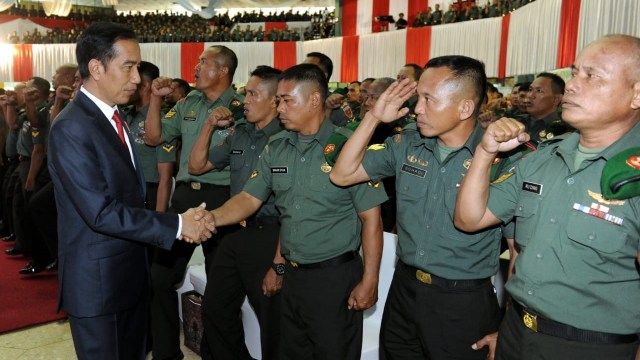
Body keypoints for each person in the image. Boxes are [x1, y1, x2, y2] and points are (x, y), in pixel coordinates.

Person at [454, 34, 640, 360]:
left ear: (636, 94)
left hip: (590, 347)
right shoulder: (543, 158)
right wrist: (485, 152)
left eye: (592, 76)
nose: (572, 85)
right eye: (575, 72)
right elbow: (470, 219)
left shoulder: (634, 171)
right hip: (517, 331)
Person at [47, 22, 213, 360]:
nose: (137, 78)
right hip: (99, 289)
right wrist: (178, 225)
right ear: (96, 67)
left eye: (137, 67)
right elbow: (100, 212)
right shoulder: (72, 127)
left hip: (127, 280)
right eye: (128, 66)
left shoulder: (113, 117)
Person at [205, 64, 387, 359]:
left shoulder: (347, 147)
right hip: (293, 276)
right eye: (278, 100)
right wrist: (211, 218)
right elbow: (250, 199)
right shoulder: (276, 147)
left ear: (314, 100)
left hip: (334, 278)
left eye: (287, 100)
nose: (279, 108)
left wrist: (370, 280)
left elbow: (371, 220)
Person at [331, 56, 502, 359]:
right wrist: (373, 118)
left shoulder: (500, 158)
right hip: (405, 288)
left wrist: (508, 326)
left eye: (428, 99)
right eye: (418, 97)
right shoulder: (408, 145)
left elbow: (519, 248)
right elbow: (342, 174)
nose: (417, 108)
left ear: (465, 107)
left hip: (461, 299)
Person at [144, 44, 245, 360]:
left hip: (223, 201)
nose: (196, 67)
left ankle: (216, 353)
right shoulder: (188, 102)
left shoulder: (242, 109)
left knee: (220, 289)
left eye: (204, 62)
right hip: (185, 198)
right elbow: (153, 137)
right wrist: (155, 99)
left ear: (223, 70)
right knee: (158, 278)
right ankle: (165, 353)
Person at [190, 65, 284, 360]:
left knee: (273, 320)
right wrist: (208, 126)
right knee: (216, 309)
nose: (245, 100)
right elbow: (196, 166)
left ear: (275, 101)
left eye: (254, 94)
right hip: (234, 231)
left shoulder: (285, 138)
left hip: (271, 235)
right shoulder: (240, 134)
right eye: (246, 92)